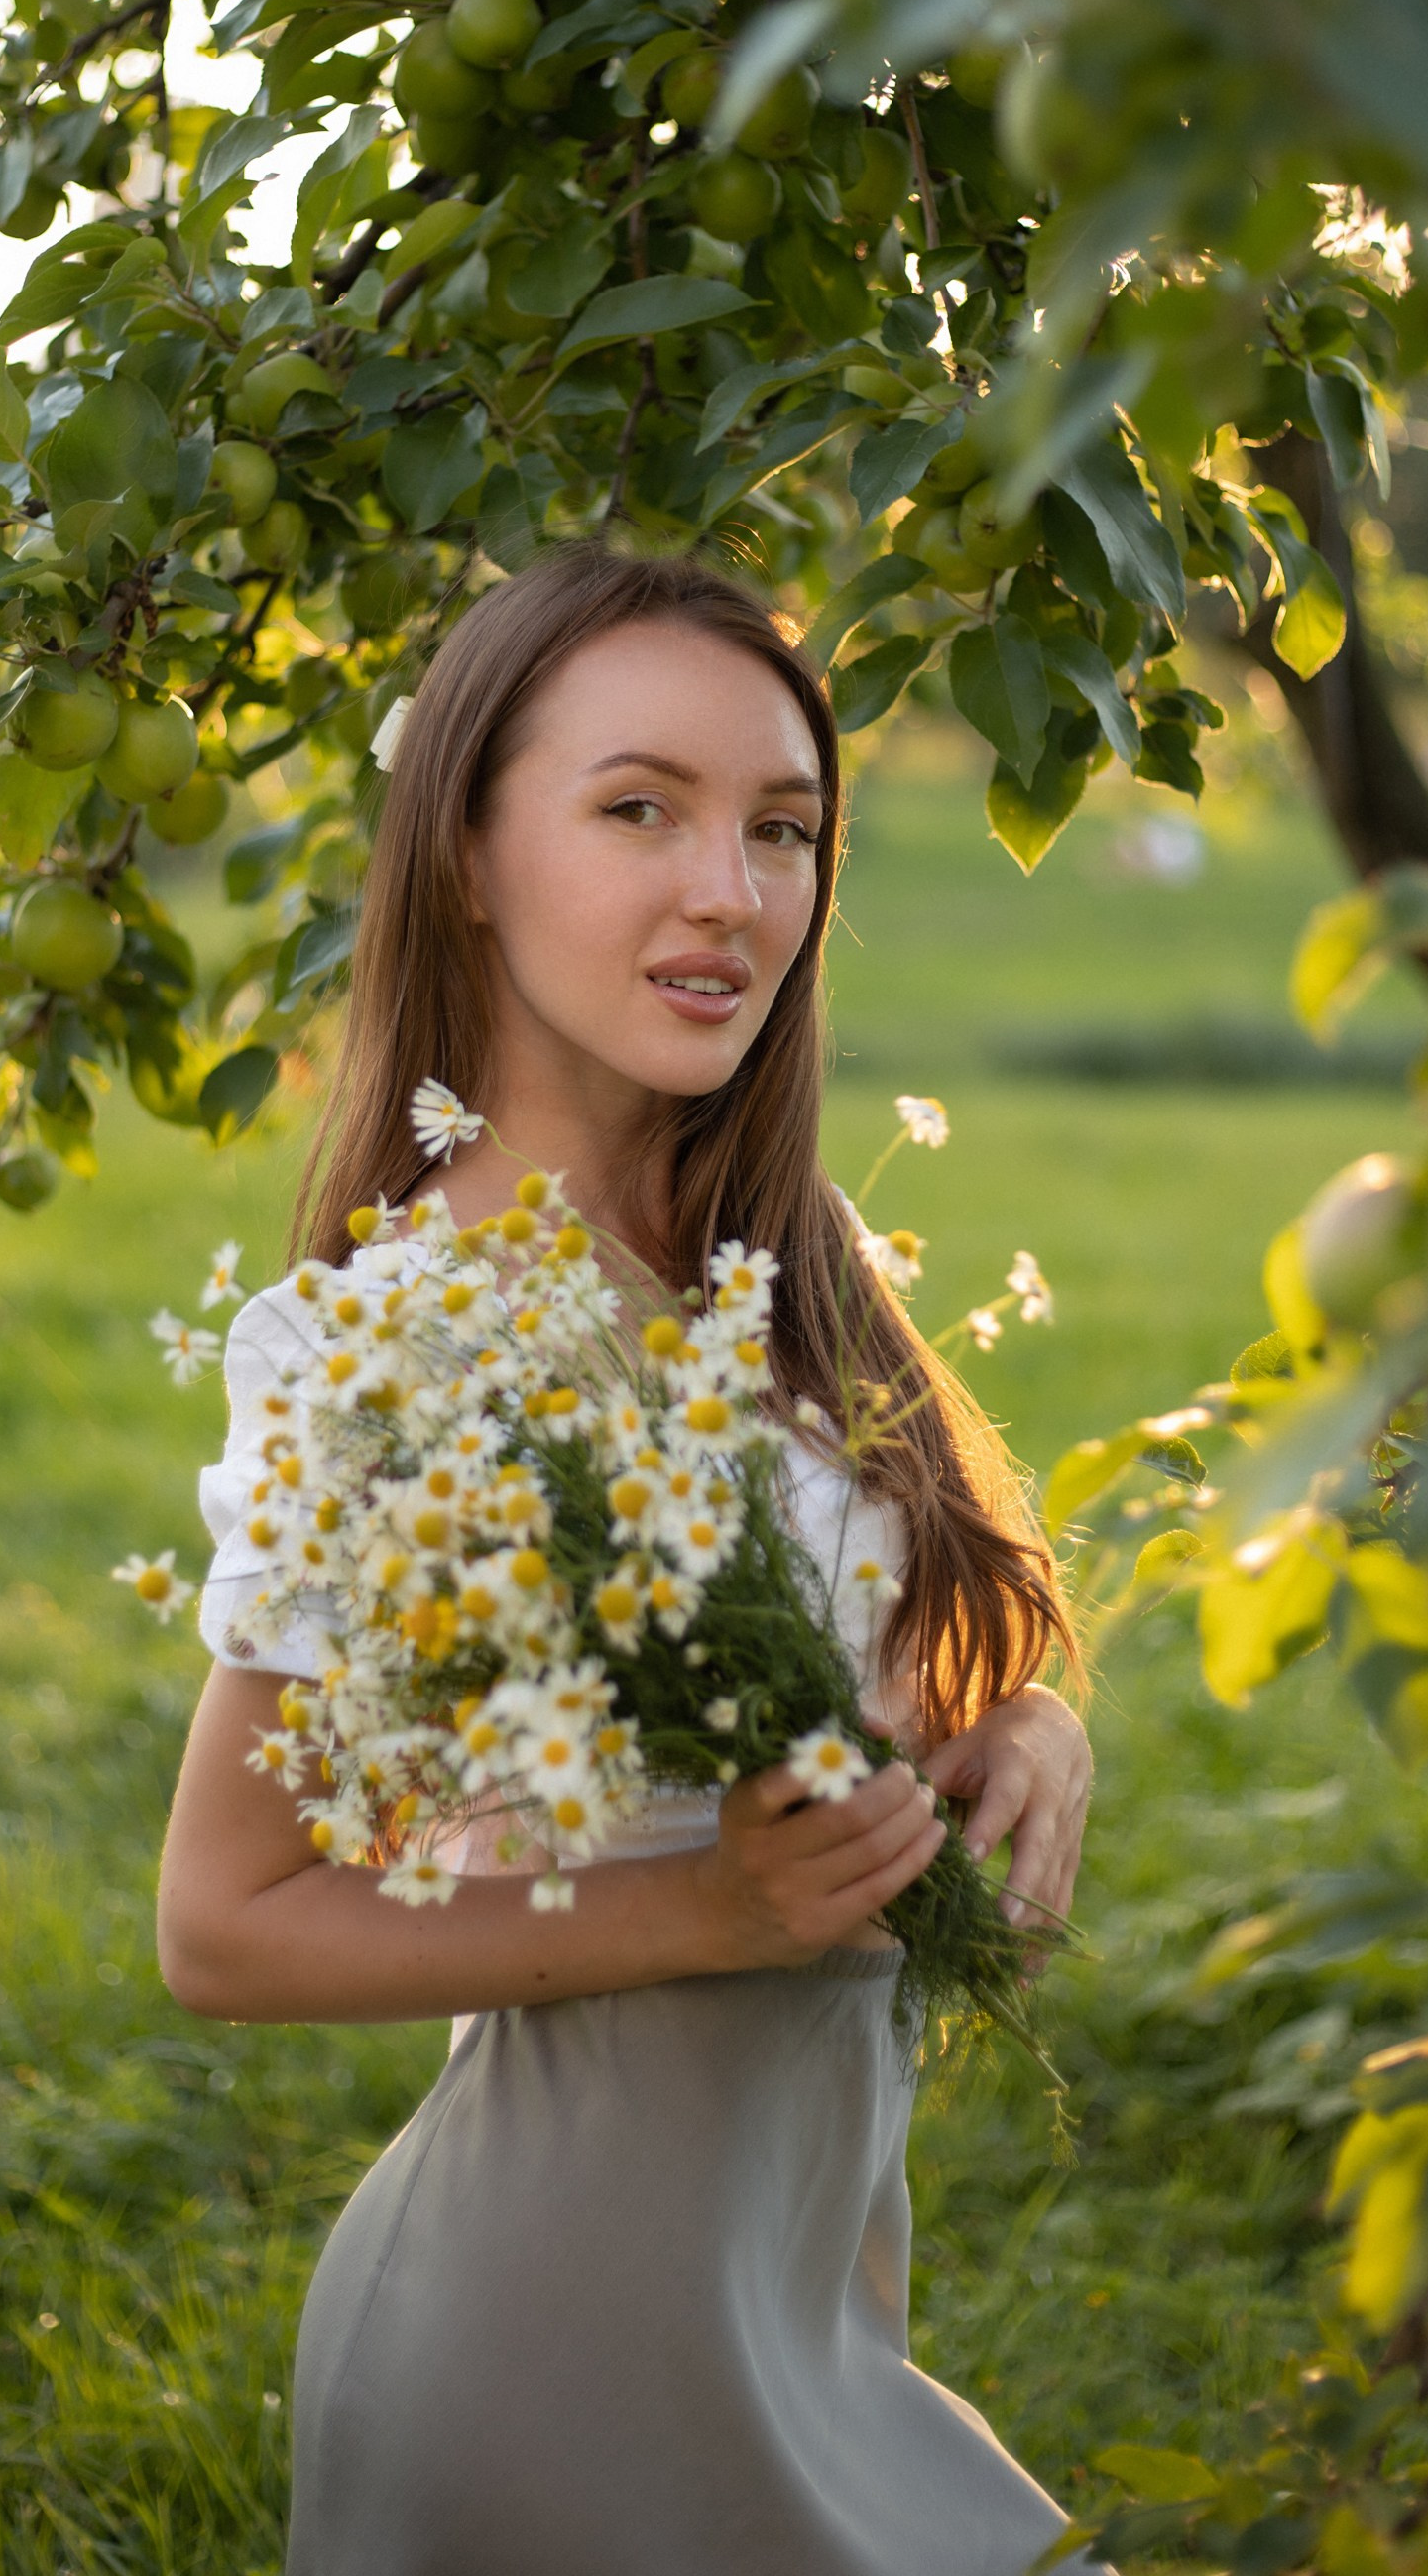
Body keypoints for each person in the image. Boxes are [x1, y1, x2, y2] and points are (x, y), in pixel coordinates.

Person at [157, 546, 1097, 2575]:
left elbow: (927, 1640)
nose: (729, 892)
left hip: (809, 2305)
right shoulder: (394, 1347)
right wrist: (715, 1908)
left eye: (782, 828)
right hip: (545, 2350)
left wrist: (1025, 1729)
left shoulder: (779, 1250)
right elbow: (222, 1925)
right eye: (639, 808)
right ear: (467, 858)